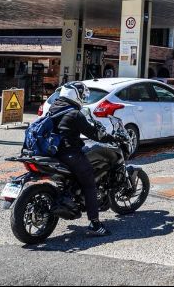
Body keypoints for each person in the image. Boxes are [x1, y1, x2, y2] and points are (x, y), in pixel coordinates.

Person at [50, 82, 114, 237]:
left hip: (51, 152)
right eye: (82, 94)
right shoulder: (74, 113)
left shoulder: (53, 108)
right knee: (89, 183)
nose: (83, 98)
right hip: (69, 153)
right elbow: (92, 133)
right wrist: (108, 137)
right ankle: (95, 224)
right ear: (74, 95)